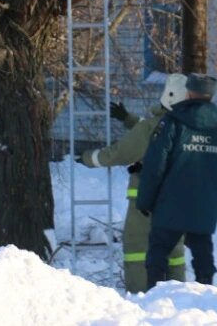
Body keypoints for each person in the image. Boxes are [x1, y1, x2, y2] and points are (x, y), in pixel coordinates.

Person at [76, 75, 190, 293]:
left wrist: (89, 157)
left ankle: (139, 297)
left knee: (137, 246)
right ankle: (179, 296)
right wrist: (128, 119)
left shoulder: (152, 127)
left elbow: (120, 152)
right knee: (174, 250)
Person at [137, 72, 217, 289]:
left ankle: (154, 297)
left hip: (169, 204)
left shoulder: (171, 123)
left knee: (158, 252)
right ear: (211, 94)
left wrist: (145, 201)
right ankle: (207, 295)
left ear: (189, 92)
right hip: (205, 205)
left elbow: (155, 166)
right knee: (203, 254)